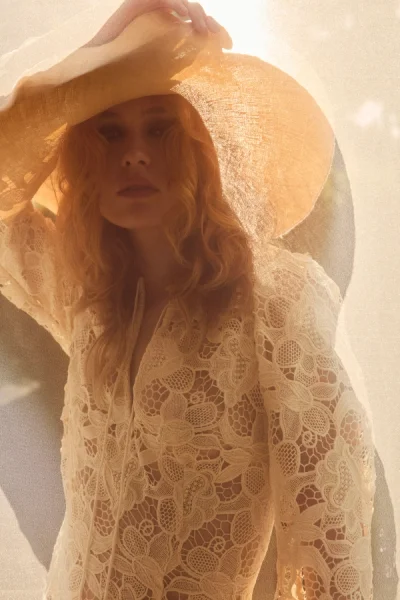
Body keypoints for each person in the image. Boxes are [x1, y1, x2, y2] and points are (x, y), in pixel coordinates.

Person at [0, 1, 376, 599]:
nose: (134, 154)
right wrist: (87, 64)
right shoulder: (89, 294)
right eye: (109, 131)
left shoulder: (274, 304)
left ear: (200, 149)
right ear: (82, 159)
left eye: (160, 129)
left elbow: (329, 555)